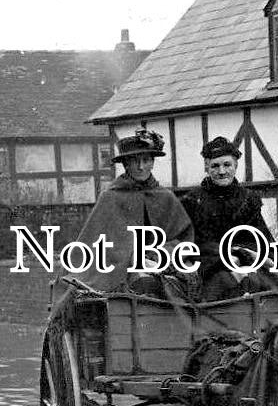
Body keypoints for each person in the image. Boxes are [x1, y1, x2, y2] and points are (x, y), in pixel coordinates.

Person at [63, 128, 193, 300]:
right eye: (134, 161)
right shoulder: (111, 197)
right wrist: (135, 258)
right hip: (121, 267)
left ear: (153, 163)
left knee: (181, 284)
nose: (140, 167)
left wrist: (161, 255)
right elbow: (99, 244)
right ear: (125, 164)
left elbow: (182, 239)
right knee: (142, 283)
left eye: (146, 160)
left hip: (162, 262)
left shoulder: (165, 196)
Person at [179, 137, 272, 301]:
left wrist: (243, 253)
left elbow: (262, 239)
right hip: (209, 267)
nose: (221, 171)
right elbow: (190, 243)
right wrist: (224, 256)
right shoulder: (192, 201)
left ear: (235, 166)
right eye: (215, 166)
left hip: (247, 262)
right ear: (207, 168)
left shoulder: (248, 200)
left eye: (227, 165)